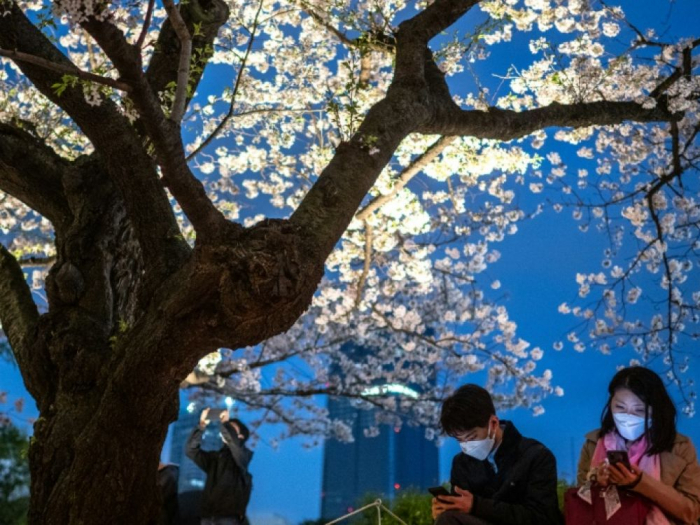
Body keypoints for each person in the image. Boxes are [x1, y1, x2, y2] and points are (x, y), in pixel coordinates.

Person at [577, 366, 700, 524]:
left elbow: (691, 511)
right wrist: (597, 484)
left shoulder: (679, 447)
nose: (628, 416)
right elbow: (581, 504)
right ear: (610, 404)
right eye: (620, 407)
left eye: (639, 410)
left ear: (655, 410)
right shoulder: (593, 444)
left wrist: (640, 483)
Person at [433, 384, 562, 525]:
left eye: (471, 437)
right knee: (447, 518)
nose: (467, 446)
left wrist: (476, 506)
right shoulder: (462, 464)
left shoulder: (536, 456)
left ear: (493, 423)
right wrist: (446, 508)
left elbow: (543, 518)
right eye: (460, 441)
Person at [186, 408, 254, 525]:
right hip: (207, 517)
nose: (225, 430)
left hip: (229, 519)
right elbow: (191, 451)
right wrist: (201, 425)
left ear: (241, 437)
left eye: (231, 428)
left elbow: (233, 443)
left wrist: (225, 423)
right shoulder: (215, 458)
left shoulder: (243, 457)